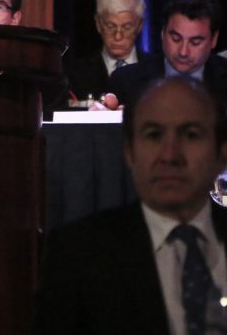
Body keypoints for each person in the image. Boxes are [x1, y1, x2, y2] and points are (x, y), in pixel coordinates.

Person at [33, 76, 227, 334]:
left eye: (191, 135)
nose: (169, 155)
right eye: (153, 135)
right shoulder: (78, 254)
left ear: (222, 154)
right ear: (129, 152)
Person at [104, 0, 227, 109]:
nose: (183, 52)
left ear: (214, 39)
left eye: (195, 42)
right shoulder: (126, 82)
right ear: (163, 33)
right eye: (176, 39)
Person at [67, 0, 147, 100]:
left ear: (139, 25)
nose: (118, 36)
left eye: (127, 27)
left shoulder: (157, 73)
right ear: (98, 24)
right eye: (110, 26)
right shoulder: (74, 75)